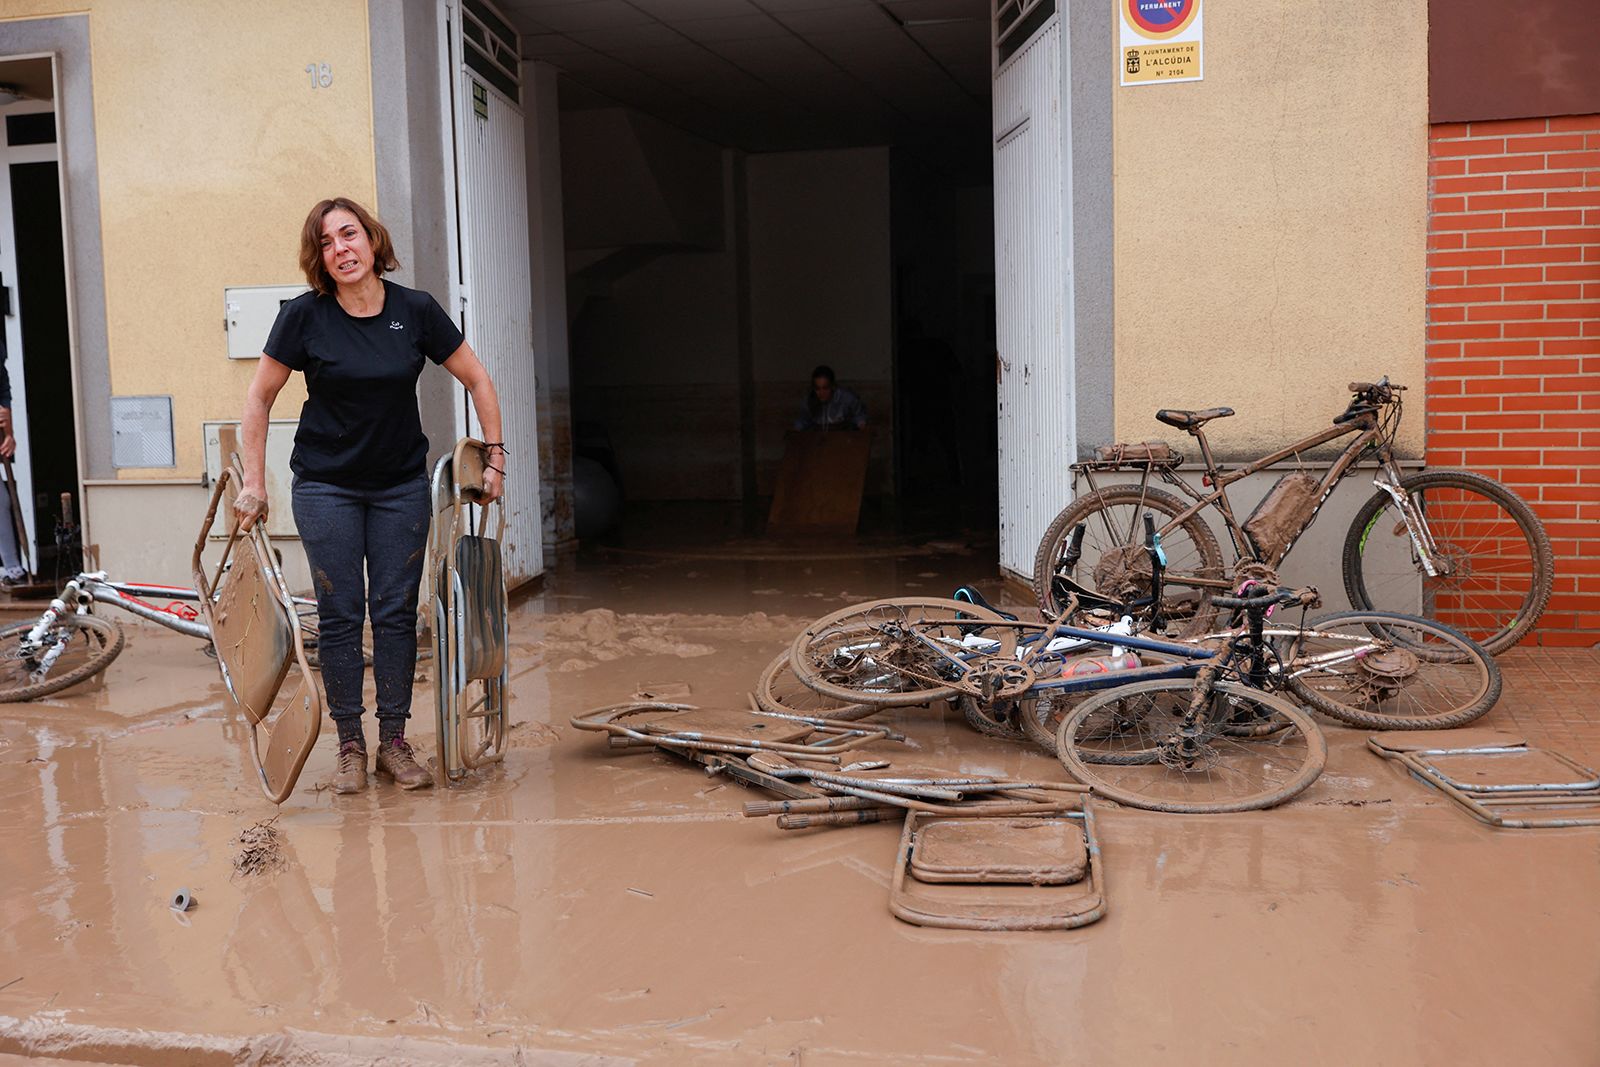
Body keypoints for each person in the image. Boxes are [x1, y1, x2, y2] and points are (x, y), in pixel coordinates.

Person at [235, 197, 506, 795]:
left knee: (394, 614)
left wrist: (496, 457)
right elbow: (258, 398)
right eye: (327, 243)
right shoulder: (305, 317)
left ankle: (394, 742)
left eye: (349, 235)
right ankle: (350, 746)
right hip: (326, 486)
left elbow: (477, 377)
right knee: (340, 614)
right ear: (320, 259)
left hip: (399, 487)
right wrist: (255, 482)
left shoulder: (414, 310)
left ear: (373, 241)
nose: (341, 250)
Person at [794, 364, 867, 431]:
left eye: (825, 388)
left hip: (844, 437)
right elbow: (803, 420)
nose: (821, 393)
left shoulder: (846, 398)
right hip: (818, 439)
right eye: (817, 389)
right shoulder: (808, 401)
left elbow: (859, 415)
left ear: (832, 386)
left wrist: (861, 423)